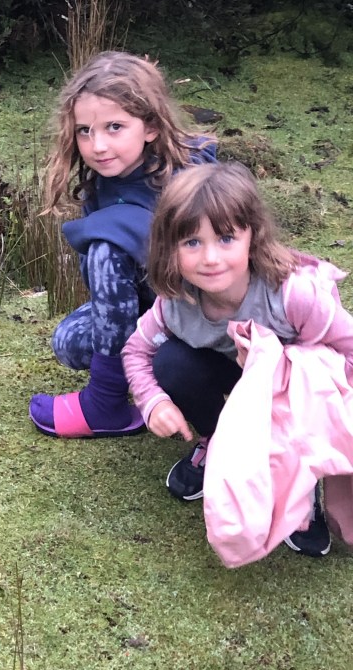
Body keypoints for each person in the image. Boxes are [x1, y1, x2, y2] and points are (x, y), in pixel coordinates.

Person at [122, 161, 353, 558]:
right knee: (171, 364)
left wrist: (326, 412)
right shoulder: (175, 303)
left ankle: (302, 490)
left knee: (305, 380)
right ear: (169, 247)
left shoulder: (292, 295)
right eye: (192, 242)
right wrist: (152, 401)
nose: (210, 257)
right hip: (236, 378)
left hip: (297, 389)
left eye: (226, 238)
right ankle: (217, 444)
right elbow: (136, 351)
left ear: (252, 236)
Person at [28, 50, 216, 438]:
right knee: (69, 343)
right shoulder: (105, 180)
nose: (97, 145)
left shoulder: (190, 181)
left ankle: (107, 401)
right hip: (151, 310)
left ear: (150, 127)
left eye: (114, 127)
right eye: (85, 130)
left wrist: (107, 235)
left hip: (202, 315)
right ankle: (137, 374)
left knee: (106, 247)